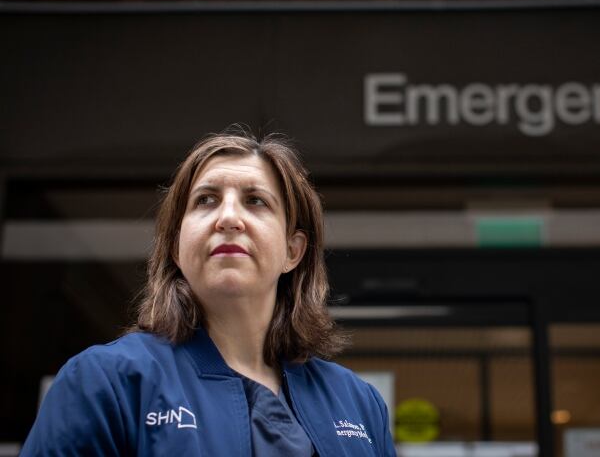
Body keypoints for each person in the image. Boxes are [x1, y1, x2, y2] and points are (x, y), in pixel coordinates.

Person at [21, 129, 396, 456]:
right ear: (176, 248)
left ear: (292, 251)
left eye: (255, 200)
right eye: (205, 200)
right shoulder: (105, 382)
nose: (229, 217)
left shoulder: (359, 404)